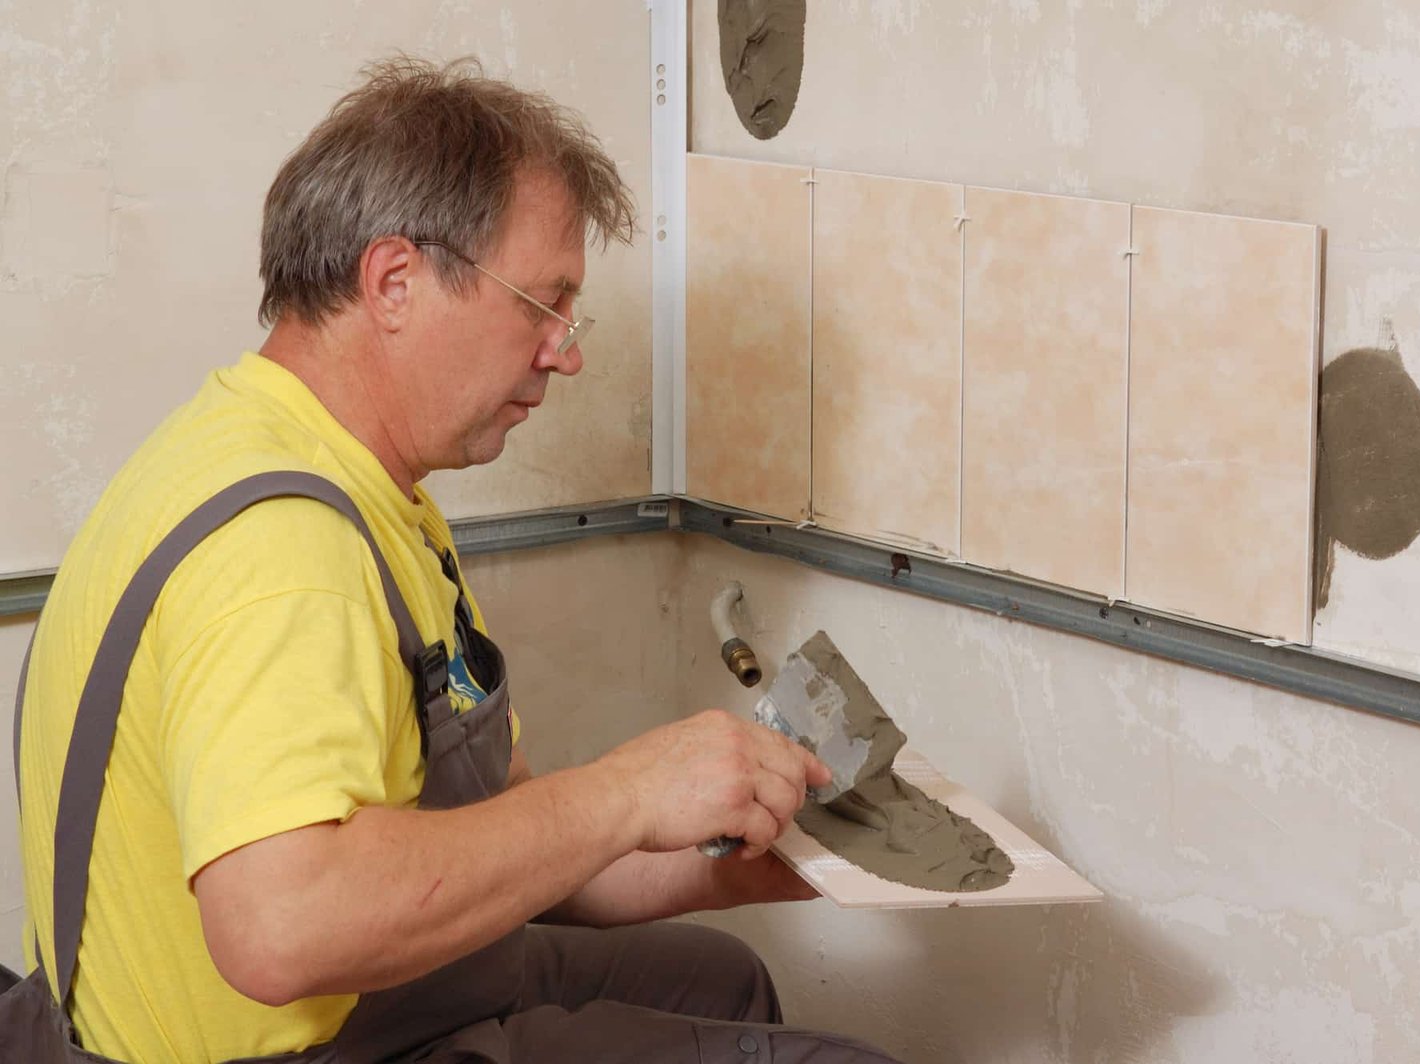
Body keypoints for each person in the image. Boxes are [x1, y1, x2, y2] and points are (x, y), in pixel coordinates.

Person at [9, 56, 904, 1063]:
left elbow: (505, 838)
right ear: (393, 281)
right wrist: (625, 790)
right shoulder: (282, 549)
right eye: (543, 302)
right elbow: (281, 924)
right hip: (288, 1042)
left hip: (363, 989)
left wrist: (756, 851)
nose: (566, 351)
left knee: (721, 972)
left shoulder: (342, 480)